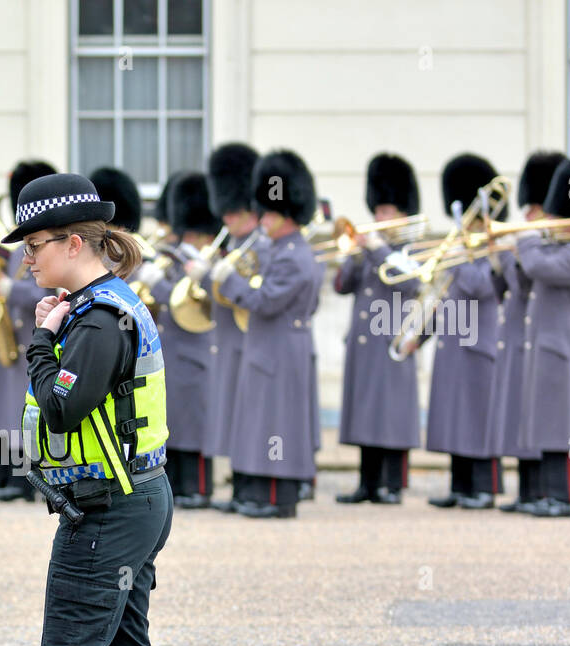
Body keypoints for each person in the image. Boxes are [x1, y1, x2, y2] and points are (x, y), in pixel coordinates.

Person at [0, 172, 172, 646]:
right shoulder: (113, 303)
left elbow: (66, 405)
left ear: (73, 242)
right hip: (138, 495)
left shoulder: (94, 319)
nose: (26, 259)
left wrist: (42, 343)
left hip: (103, 509)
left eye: (34, 245)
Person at [208, 149, 323, 519]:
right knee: (258, 421)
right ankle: (254, 492)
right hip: (268, 346)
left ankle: (276, 497)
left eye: (269, 213)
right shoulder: (280, 249)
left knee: (277, 423)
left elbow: (266, 300)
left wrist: (229, 280)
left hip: (280, 349)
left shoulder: (293, 255)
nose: (263, 220)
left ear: (286, 215)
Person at [512, 156, 570, 517]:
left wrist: (525, 242)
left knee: (564, 429)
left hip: (560, 347)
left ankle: (563, 497)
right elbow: (525, 279)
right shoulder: (554, 250)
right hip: (545, 346)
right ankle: (549, 494)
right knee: (547, 424)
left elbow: (537, 267)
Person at [333, 153, 422, 504]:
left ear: (403, 214)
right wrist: (352, 255)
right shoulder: (369, 249)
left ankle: (393, 484)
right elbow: (343, 286)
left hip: (393, 340)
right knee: (365, 413)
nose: (380, 218)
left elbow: (411, 285)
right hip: (364, 342)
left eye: (387, 212)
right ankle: (367, 483)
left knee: (392, 413)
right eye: (378, 211)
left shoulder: (410, 248)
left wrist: (379, 250)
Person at [425, 153, 505, 510]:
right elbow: (444, 293)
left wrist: (462, 255)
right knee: (456, 415)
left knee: (479, 417)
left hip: (479, 341)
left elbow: (481, 287)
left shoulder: (491, 244)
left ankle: (485, 488)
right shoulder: (461, 245)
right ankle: (461, 487)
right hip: (454, 339)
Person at [493, 151, 565, 513]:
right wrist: (503, 257)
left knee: (544, 417)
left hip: (545, 340)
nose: (526, 215)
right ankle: (527, 490)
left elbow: (538, 273)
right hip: (523, 335)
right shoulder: (534, 242)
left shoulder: (559, 246)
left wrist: (520, 249)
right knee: (521, 414)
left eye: (534, 208)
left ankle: (545, 492)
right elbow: (516, 287)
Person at [150, 171, 222, 508]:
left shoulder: (212, 261)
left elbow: (187, 301)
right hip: (171, 354)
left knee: (196, 425)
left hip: (197, 352)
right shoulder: (174, 255)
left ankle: (200, 487)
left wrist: (157, 286)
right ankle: (177, 484)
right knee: (173, 424)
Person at [0, 159, 56, 503]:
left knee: (25, 414)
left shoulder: (44, 247)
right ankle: (6, 474)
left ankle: (24, 481)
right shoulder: (19, 249)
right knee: (8, 411)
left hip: (33, 337)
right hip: (12, 340)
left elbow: (49, 293)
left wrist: (10, 291)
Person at [201, 143, 266, 512]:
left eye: (232, 212)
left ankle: (248, 488)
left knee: (249, 416)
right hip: (226, 339)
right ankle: (240, 487)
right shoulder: (236, 242)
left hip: (249, 340)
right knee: (233, 415)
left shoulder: (259, 246)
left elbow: (256, 293)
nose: (225, 219)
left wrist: (224, 277)